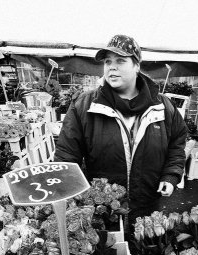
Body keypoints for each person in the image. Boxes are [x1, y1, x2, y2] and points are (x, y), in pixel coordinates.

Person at [54, 34, 188, 228]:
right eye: (107, 61)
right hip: (103, 209)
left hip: (148, 207)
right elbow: (66, 157)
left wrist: (171, 175)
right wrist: (70, 198)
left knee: (144, 253)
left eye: (120, 61)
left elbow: (177, 143)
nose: (112, 67)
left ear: (137, 66)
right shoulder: (84, 106)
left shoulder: (163, 107)